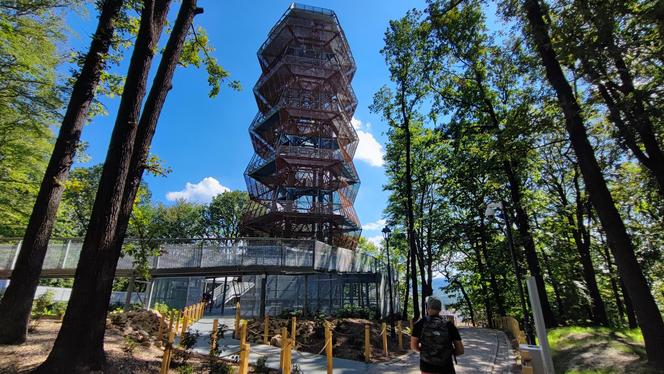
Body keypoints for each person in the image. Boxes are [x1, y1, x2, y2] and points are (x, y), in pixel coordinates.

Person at [411, 297, 464, 374]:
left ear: (428, 308)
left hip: (427, 367)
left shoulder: (419, 324)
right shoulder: (449, 325)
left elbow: (413, 347)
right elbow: (460, 350)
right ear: (439, 309)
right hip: (447, 367)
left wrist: (427, 352)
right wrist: (446, 353)